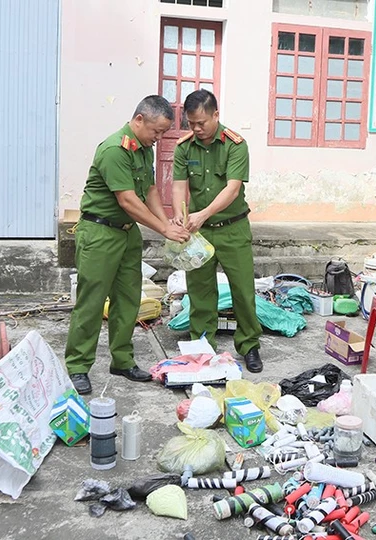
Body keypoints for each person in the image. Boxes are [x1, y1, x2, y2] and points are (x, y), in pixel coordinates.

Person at [66, 95, 190, 395]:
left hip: (126, 234)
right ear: (138, 120)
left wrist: (167, 222)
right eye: (156, 131)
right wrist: (162, 228)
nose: (159, 138)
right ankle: (78, 366)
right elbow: (127, 199)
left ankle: (121, 360)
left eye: (163, 133)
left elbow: (148, 190)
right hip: (99, 233)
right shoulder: (114, 149)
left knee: (128, 299)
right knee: (92, 302)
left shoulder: (143, 149)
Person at [171, 89, 263, 373]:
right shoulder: (184, 147)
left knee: (243, 291)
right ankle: (202, 347)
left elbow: (232, 188)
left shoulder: (235, 145)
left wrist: (203, 213)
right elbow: (178, 186)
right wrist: (179, 214)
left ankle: (249, 345)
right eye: (191, 124)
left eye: (202, 122)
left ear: (216, 115)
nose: (197, 129)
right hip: (199, 233)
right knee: (200, 293)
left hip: (233, 228)